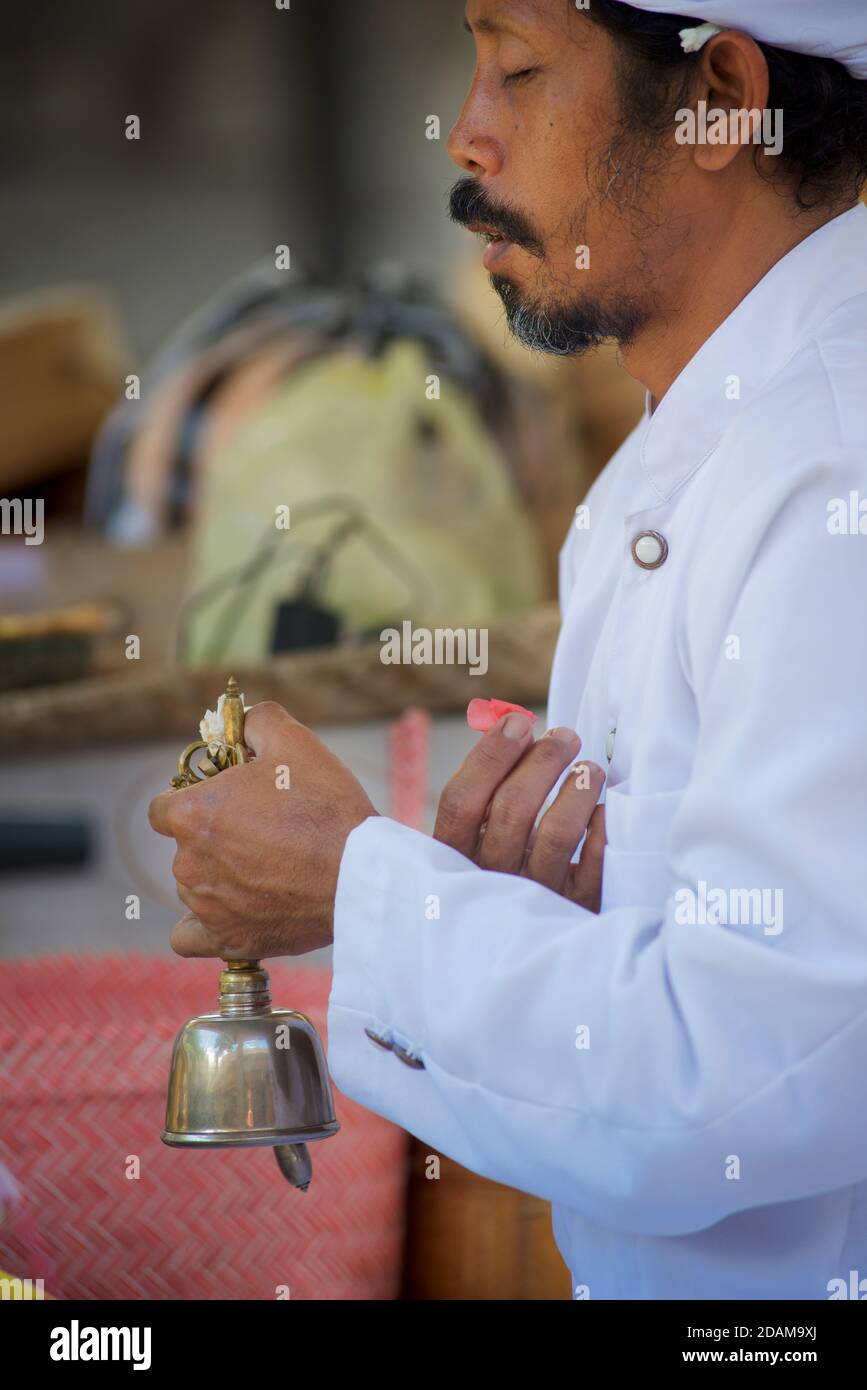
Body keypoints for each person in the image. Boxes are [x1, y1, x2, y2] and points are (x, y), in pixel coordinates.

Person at [149, 1, 867, 1299]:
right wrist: (530, 912)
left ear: (721, 95)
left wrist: (351, 885)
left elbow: (747, 1076)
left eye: (520, 68)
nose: (468, 136)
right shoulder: (700, 445)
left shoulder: (832, 471)